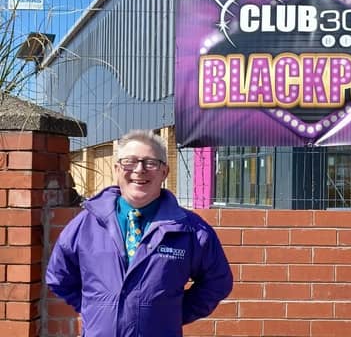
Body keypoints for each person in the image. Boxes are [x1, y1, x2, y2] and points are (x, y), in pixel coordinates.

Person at [46, 129, 233, 337]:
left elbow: (218, 282)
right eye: (129, 162)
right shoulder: (85, 224)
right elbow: (59, 276)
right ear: (117, 170)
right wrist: (95, 309)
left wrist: (171, 314)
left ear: (164, 172)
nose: (139, 170)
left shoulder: (191, 230)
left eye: (151, 162)